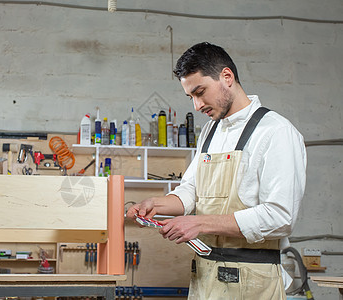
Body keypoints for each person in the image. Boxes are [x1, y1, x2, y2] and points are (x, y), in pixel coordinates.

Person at [126, 42, 307, 299]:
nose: (197, 106)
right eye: (191, 97)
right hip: (206, 278)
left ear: (227, 77)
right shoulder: (211, 132)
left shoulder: (276, 132)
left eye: (200, 92)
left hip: (253, 281)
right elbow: (191, 190)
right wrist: (157, 204)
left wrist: (199, 223)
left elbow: (280, 217)